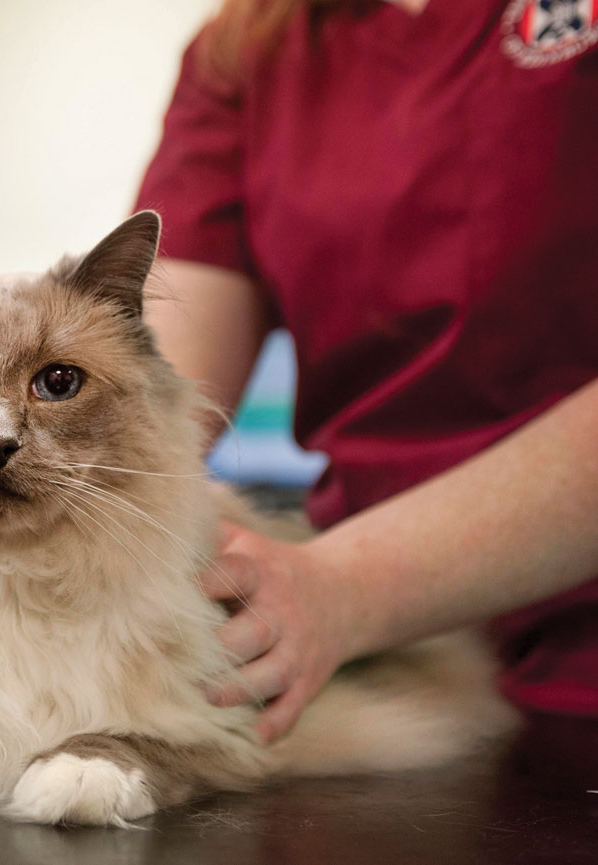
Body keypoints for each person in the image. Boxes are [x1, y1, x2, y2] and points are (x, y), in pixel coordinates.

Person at [135, 0, 598, 743]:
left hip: (386, 624)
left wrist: (348, 587)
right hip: (393, 678)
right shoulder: (251, 48)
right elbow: (155, 403)